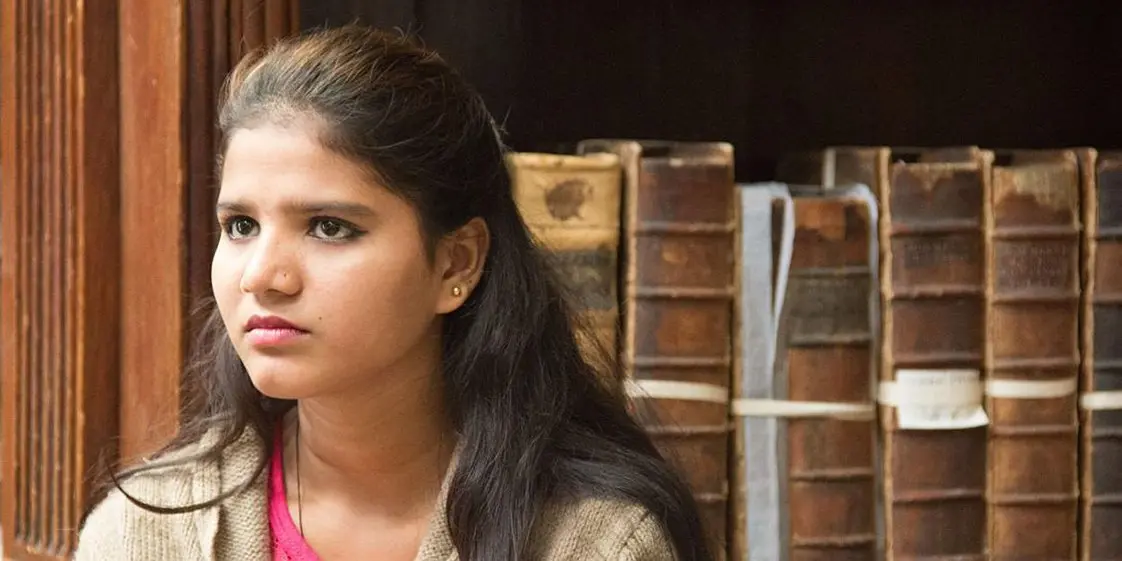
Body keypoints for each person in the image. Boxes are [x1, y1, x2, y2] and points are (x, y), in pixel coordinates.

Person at [75, 24, 713, 561]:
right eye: (241, 226)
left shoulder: (594, 544)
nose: (262, 275)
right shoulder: (139, 536)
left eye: (329, 227)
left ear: (455, 261)